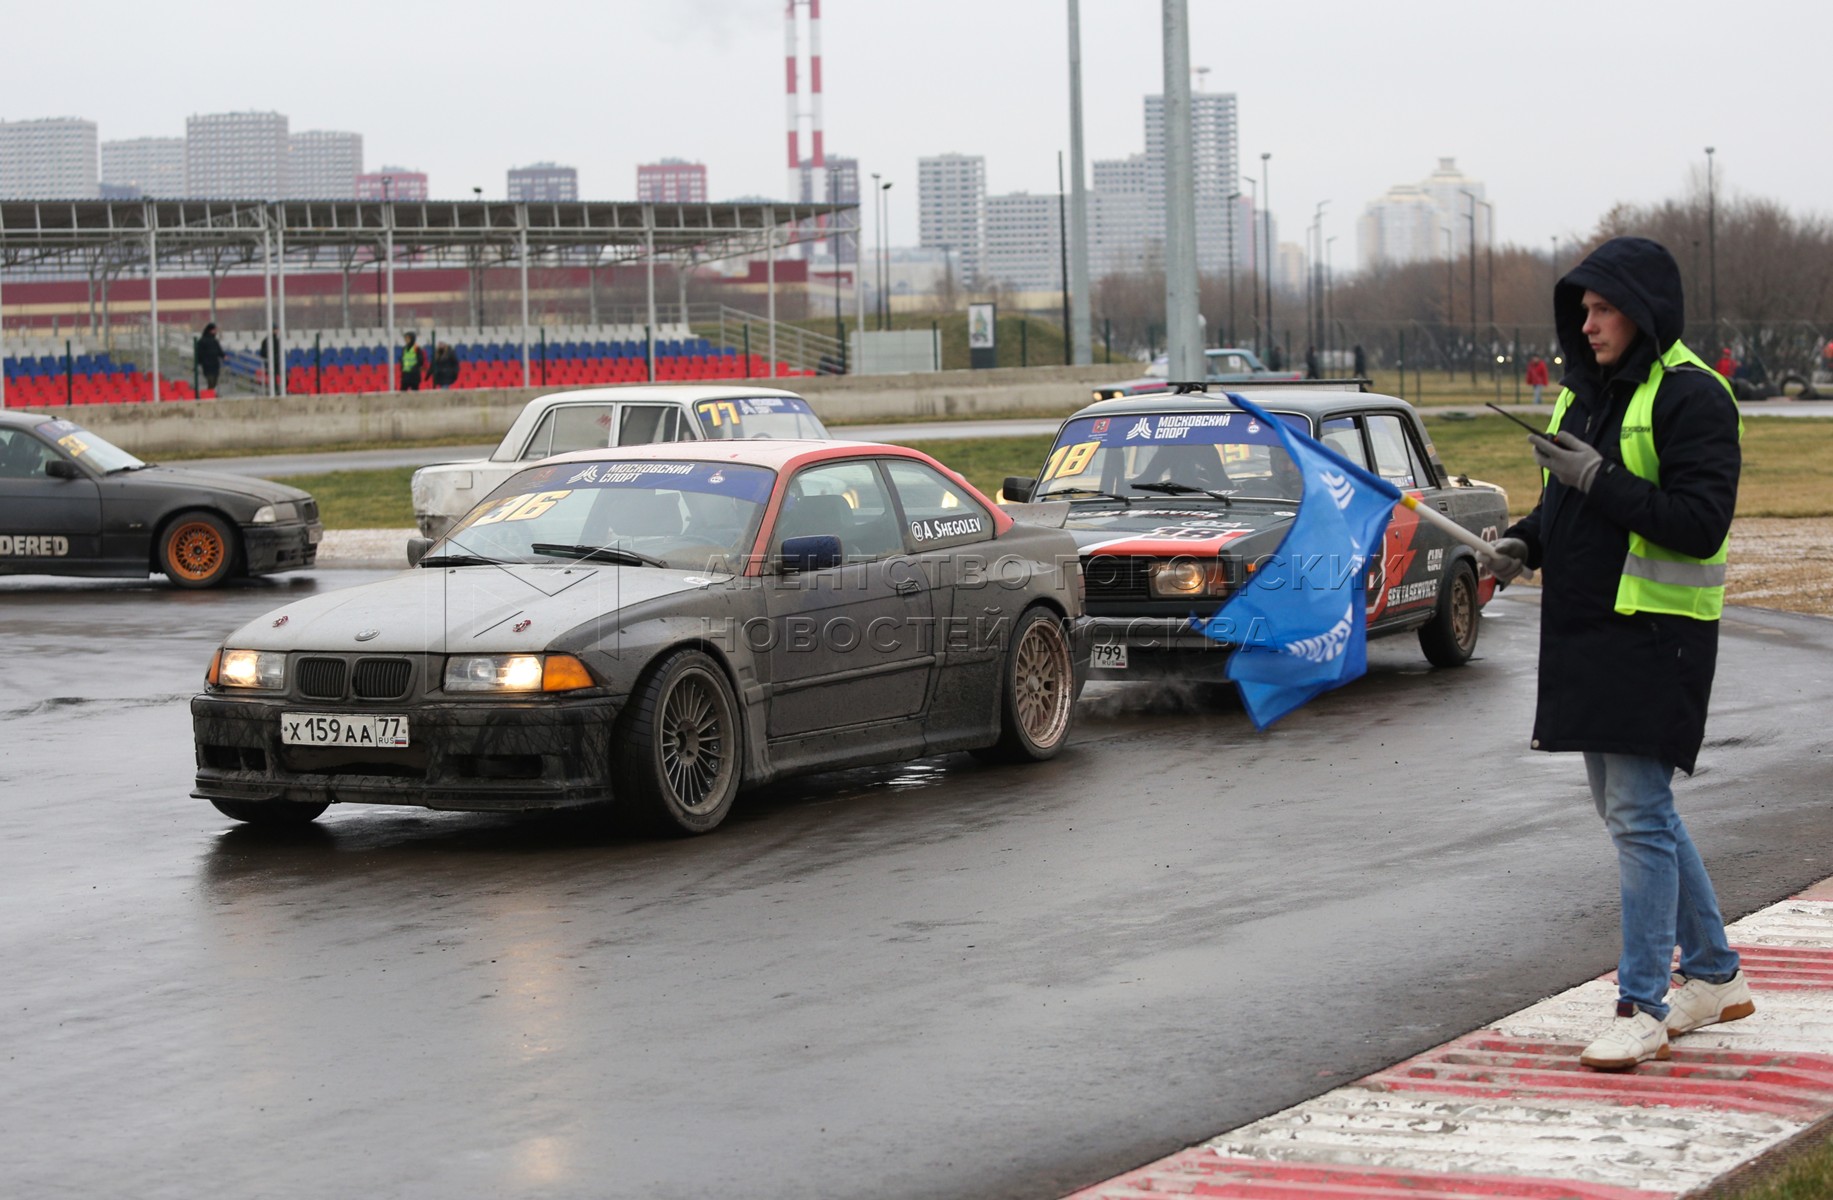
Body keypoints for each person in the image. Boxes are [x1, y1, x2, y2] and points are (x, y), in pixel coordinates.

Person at [1488, 236, 1750, 1072]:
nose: (1586, 323)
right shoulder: (1581, 397)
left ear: (1641, 311)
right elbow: (1559, 507)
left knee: (1638, 816)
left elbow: (1699, 521)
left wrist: (1598, 480)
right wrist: (1521, 544)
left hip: (1655, 638)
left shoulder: (1691, 397)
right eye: (1582, 311)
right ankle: (1712, 974)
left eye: (1601, 309)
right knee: (1635, 814)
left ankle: (1640, 1005)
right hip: (1588, 635)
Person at [194, 323, 224, 393]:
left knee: (215, 381)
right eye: (214, 330)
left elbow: (219, 350)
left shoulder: (215, 341)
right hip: (207, 363)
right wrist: (199, 361)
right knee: (210, 380)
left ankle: (210, 393)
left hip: (215, 363)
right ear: (210, 330)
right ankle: (209, 394)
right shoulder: (202, 341)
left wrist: (223, 356)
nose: (216, 332)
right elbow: (199, 352)